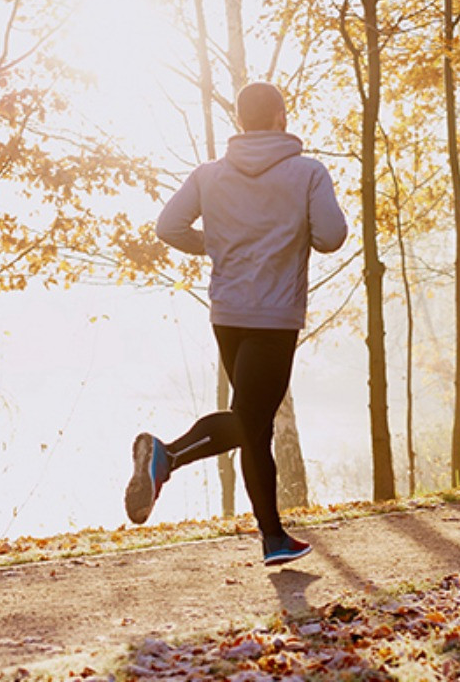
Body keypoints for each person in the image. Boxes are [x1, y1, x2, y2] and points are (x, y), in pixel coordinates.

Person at [125, 81, 347, 566]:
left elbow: (168, 227)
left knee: (253, 423)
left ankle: (274, 539)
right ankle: (168, 456)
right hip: (274, 314)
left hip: (227, 312)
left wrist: (221, 243)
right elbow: (331, 236)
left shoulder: (209, 175)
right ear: (281, 117)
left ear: (241, 122)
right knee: (252, 419)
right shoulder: (307, 173)